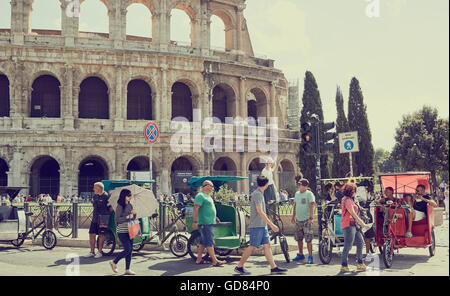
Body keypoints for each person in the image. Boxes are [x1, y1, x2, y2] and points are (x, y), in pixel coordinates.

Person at [234, 175, 287, 275]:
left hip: (261, 226)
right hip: (257, 226)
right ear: (266, 184)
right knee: (252, 246)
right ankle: (239, 266)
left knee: (267, 246)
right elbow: (260, 211)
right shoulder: (257, 194)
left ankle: (273, 267)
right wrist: (271, 224)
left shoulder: (259, 193)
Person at [192, 180, 226, 266]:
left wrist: (215, 217)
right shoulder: (200, 196)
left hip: (209, 222)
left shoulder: (207, 196)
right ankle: (215, 261)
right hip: (205, 223)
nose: (212, 188)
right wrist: (195, 221)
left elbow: (209, 209)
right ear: (206, 186)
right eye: (211, 186)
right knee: (209, 241)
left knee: (203, 242)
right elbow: (196, 208)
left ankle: (199, 259)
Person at [340, 183, 371, 273]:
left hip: (353, 225)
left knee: (360, 242)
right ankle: (344, 265)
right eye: (355, 190)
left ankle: (360, 263)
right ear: (352, 191)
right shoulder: (348, 200)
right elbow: (353, 214)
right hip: (349, 225)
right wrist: (364, 224)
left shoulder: (348, 199)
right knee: (348, 246)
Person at [109, 189, 136, 275]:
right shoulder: (120, 206)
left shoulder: (130, 205)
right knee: (127, 249)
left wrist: (134, 215)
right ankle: (114, 262)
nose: (130, 197)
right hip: (122, 230)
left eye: (130, 195)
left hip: (130, 229)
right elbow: (117, 219)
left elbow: (132, 218)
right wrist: (127, 217)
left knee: (130, 250)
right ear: (124, 196)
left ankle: (127, 269)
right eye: (129, 196)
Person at [291, 179, 315, 264]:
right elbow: (295, 205)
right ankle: (300, 254)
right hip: (298, 220)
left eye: (300, 185)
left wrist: (311, 218)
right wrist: (293, 216)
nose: (299, 186)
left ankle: (310, 256)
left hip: (306, 220)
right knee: (299, 238)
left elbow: (312, 205)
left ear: (305, 186)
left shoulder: (309, 194)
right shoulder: (297, 194)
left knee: (308, 239)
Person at [87, 182, 112, 258]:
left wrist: (105, 215)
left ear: (99, 188)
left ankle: (100, 252)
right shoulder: (95, 196)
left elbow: (111, 208)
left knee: (101, 235)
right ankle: (92, 251)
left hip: (103, 218)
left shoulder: (107, 196)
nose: (93, 189)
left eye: (94, 188)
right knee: (91, 234)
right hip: (95, 218)